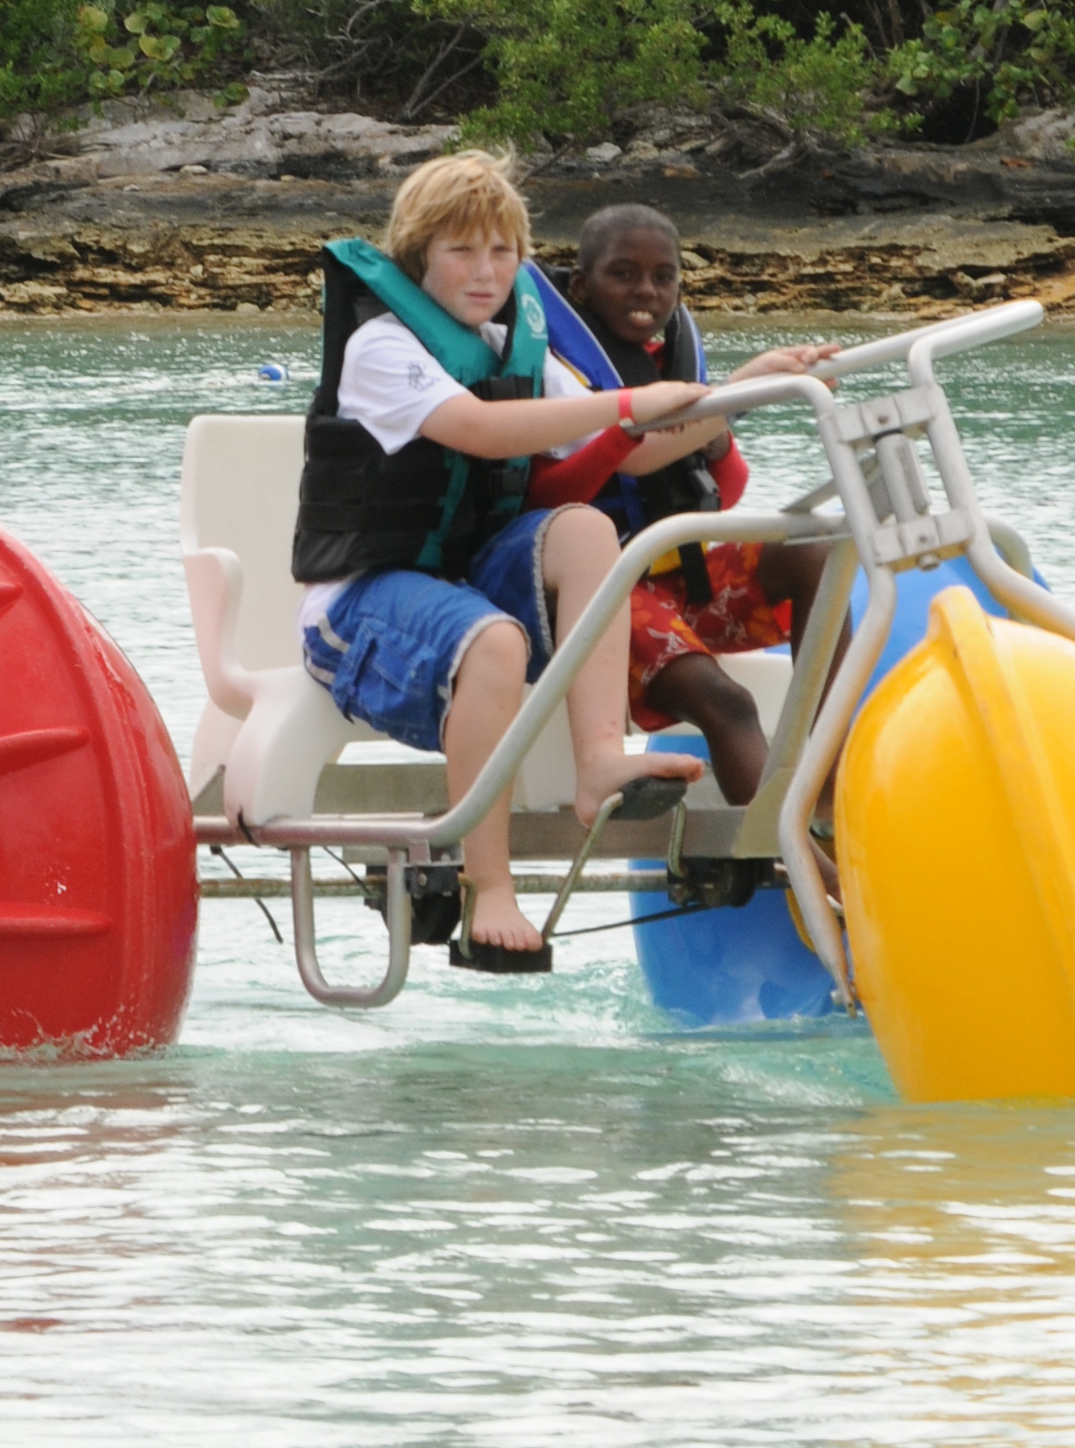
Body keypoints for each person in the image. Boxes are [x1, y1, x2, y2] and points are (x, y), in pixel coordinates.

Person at [289, 152, 830, 968]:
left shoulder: (516, 347)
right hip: (362, 604)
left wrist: (749, 387)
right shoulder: (380, 346)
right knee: (494, 640)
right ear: (417, 256)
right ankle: (491, 887)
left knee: (582, 530)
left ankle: (600, 761)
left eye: (502, 252)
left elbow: (636, 452)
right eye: (462, 252)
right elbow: (479, 430)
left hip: (468, 581)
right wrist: (627, 402)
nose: (486, 272)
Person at [553, 202, 836, 806]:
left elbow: (724, 492)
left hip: (683, 582)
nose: (646, 291)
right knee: (728, 703)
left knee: (815, 551)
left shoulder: (675, 366)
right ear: (580, 286)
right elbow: (617, 465)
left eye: (664, 277)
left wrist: (719, 424)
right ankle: (789, 852)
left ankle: (835, 790)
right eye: (623, 274)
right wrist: (738, 394)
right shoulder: (562, 377)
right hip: (605, 597)